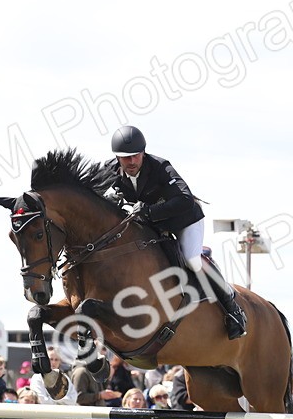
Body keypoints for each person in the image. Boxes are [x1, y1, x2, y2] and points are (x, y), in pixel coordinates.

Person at [91, 125, 246, 340]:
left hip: (183, 220)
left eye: (136, 156)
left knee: (191, 259)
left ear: (143, 152)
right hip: (152, 225)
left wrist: (149, 211)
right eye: (126, 158)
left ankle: (232, 306)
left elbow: (184, 199)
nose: (132, 162)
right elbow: (89, 198)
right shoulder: (109, 170)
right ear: (117, 157)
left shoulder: (160, 167)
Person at [30, 351, 79, 419]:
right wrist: (62, 401)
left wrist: (54, 399)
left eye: (56, 359)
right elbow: (43, 401)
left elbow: (73, 400)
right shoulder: (37, 377)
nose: (53, 362)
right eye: (50, 359)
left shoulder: (65, 378)